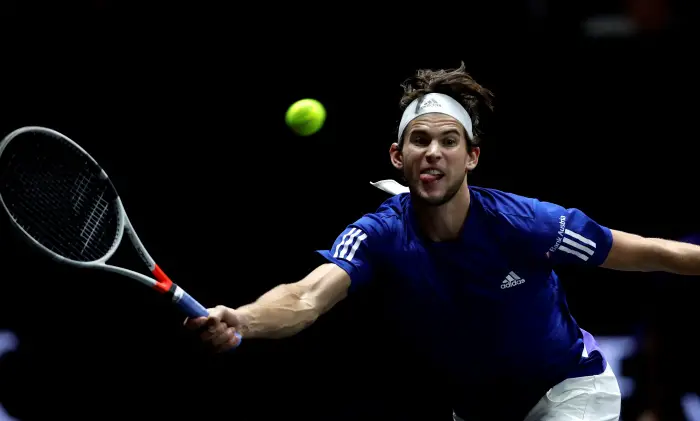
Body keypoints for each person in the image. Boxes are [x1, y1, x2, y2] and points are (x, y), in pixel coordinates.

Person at [184, 62, 700, 420]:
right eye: (421, 140)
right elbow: (306, 296)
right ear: (396, 156)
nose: (434, 152)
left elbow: (652, 252)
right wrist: (244, 320)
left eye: (449, 141)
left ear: (471, 157)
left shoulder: (529, 223)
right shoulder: (379, 235)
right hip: (478, 409)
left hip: (566, 391)